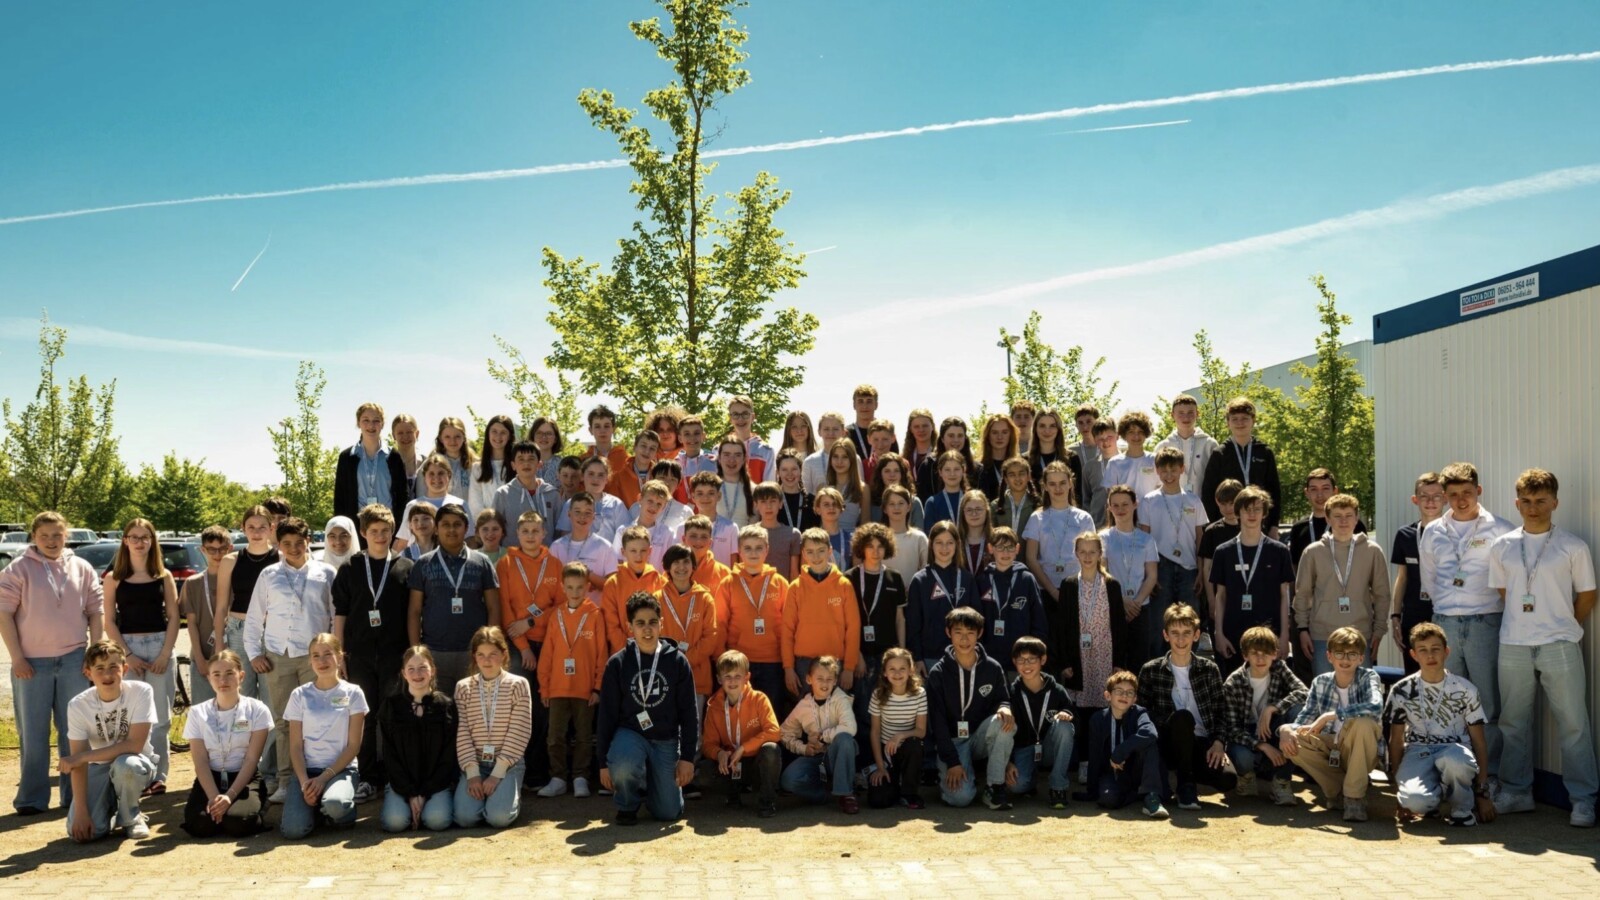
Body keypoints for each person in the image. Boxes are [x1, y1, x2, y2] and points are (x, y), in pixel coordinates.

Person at [1489, 468, 1597, 825]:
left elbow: (1587, 594)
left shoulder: (1572, 546)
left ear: (1555, 502)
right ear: (1517, 503)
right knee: (1513, 722)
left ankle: (1583, 799)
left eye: (1541, 501)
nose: (1533, 508)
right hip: (1514, 643)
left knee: (1573, 723)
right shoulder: (1502, 546)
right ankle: (1517, 792)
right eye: (1527, 501)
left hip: (1559, 644)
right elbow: (1505, 593)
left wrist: (1565, 626)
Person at [1, 511, 104, 817]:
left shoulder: (81, 567)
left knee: (73, 732)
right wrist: (17, 657)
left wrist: (94, 653)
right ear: (33, 537)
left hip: (74, 660)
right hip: (31, 664)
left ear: (66, 535)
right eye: (44, 535)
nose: (51, 541)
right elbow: (4, 614)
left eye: (57, 535)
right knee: (33, 733)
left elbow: (96, 612)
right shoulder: (18, 569)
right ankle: (31, 798)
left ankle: (74, 796)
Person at [1417, 461, 1513, 777]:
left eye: (1467, 493)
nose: (1461, 500)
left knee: (1488, 704)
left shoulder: (1500, 528)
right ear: (1445, 495)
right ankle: (1453, 773)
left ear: (1479, 491)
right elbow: (1429, 579)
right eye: (1454, 494)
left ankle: (1492, 775)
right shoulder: (1433, 531)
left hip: (1486, 622)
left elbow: (1508, 580)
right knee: (1448, 700)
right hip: (1445, 623)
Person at [245, 516, 336, 804]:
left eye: (299, 542)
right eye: (287, 544)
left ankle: (321, 776)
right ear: (278, 544)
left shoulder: (326, 572)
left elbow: (335, 616)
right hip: (278, 656)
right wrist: (254, 653)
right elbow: (255, 617)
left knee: (317, 718)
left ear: (308, 541)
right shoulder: (269, 575)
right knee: (284, 720)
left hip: (316, 658)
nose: (294, 548)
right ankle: (286, 781)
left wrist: (335, 654)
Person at [332, 503, 414, 804]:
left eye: (385, 531)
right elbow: (340, 613)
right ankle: (367, 777)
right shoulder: (351, 568)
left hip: (396, 655)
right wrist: (339, 653)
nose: (380, 536)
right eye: (374, 531)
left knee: (393, 715)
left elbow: (413, 613)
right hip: (360, 654)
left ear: (392, 532)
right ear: (364, 533)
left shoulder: (405, 567)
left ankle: (394, 775)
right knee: (363, 716)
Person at [597, 593, 699, 825]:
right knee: (623, 765)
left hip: (666, 739)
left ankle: (656, 791)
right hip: (631, 734)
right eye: (640, 623)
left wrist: (687, 758)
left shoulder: (678, 662)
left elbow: (689, 714)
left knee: (667, 813)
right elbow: (606, 717)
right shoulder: (618, 663)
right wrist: (603, 763)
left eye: (653, 622)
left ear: (661, 623)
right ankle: (627, 803)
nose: (647, 629)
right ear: (629, 626)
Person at [1384, 623, 1496, 827]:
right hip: (1417, 751)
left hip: (1453, 749)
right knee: (1415, 802)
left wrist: (1482, 792)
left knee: (1456, 760)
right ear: (1413, 655)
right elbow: (1396, 740)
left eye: (1436, 649)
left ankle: (1462, 808)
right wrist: (1398, 789)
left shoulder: (1465, 689)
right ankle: (1431, 800)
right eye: (1423, 650)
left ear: (1446, 651)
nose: (1430, 656)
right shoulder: (1401, 690)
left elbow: (1479, 742)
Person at [99, 519, 180, 798]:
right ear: (125, 541)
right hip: (127, 649)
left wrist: (165, 654)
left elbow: (174, 617)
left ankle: (159, 776)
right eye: (134, 537)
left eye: (145, 537)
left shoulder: (164, 576)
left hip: (160, 645)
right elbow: (109, 621)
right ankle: (137, 772)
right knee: (132, 716)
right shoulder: (113, 578)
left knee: (160, 718)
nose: (140, 542)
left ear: (152, 541)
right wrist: (127, 656)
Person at [1137, 604, 1238, 810]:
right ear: (1165, 635)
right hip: (1168, 742)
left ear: (1196, 635)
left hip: (1202, 742)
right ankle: (1185, 786)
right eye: (1174, 633)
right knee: (1182, 718)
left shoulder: (1209, 669)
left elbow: (1221, 711)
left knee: (1228, 780)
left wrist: (1219, 743)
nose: (1180, 640)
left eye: (1186, 633)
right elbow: (1143, 713)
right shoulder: (1151, 670)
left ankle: (1186, 773)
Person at [1279, 627, 1383, 822]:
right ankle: (1337, 791)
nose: (1345, 659)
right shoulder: (1320, 682)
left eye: (1352, 654)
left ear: (1361, 658)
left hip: (1360, 746)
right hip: (1330, 744)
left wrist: (1331, 716)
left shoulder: (1368, 676)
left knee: (1362, 723)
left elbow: (1376, 706)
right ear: (1329, 656)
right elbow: (1305, 718)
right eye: (1339, 653)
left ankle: (1354, 798)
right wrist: (1285, 729)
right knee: (1292, 742)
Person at [60, 639, 157, 841]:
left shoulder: (141, 691)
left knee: (126, 766)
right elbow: (79, 763)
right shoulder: (77, 705)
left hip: (135, 762)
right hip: (98, 766)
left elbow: (134, 745)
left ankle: (131, 816)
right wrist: (81, 811)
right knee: (83, 832)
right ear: (88, 673)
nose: (107, 675)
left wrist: (83, 757)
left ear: (125, 668)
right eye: (100, 668)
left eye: (114, 667)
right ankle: (111, 809)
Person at [280, 633, 368, 839]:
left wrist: (323, 778)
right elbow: (295, 746)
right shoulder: (299, 695)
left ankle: (340, 809)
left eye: (328, 654)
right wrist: (304, 783)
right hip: (307, 773)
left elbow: (354, 746)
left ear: (339, 657)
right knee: (293, 831)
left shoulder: (354, 693)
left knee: (336, 807)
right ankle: (319, 806)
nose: (322, 661)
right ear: (310, 660)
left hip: (340, 770)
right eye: (316, 656)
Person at [927, 606, 1015, 809]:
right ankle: (956, 777)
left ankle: (994, 787)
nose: (964, 640)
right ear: (948, 633)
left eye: (970, 633)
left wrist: (1005, 707)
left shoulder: (992, 667)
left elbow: (1003, 699)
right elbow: (937, 723)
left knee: (1004, 721)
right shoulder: (938, 673)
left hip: (978, 737)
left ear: (980, 634)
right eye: (958, 633)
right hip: (952, 741)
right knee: (961, 799)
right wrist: (953, 762)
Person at [1293, 493, 1390, 676]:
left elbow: (1382, 594)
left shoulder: (1372, 551)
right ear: (1328, 519)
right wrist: (1303, 629)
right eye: (1337, 516)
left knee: (1360, 695)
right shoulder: (1313, 552)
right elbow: (1302, 594)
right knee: (1326, 693)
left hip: (1360, 634)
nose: (1343, 521)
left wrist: (1378, 631)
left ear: (1356, 519)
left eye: (1348, 516)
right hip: (1322, 635)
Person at [406, 503, 501, 688]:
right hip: (434, 652)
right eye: (445, 524)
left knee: (473, 712)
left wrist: (489, 647)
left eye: (457, 524)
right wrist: (416, 650)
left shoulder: (482, 562)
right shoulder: (423, 564)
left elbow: (493, 607)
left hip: (473, 652)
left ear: (466, 528)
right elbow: (414, 611)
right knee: (440, 711)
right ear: (436, 528)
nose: (451, 529)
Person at [181, 648, 272, 837]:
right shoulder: (198, 712)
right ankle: (221, 812)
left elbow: (251, 759)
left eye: (230, 673)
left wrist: (229, 797)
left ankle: (257, 804)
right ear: (209, 678)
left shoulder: (257, 710)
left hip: (244, 777)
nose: (223, 681)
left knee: (238, 824)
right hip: (211, 777)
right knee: (200, 825)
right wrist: (215, 797)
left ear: (241, 675)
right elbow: (200, 761)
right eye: (216, 674)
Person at [534, 564, 606, 799]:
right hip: (557, 688)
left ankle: (580, 777)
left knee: (584, 736)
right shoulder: (556, 615)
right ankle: (558, 778)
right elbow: (547, 654)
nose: (575, 592)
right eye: (570, 587)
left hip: (584, 689)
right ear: (563, 588)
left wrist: (598, 686)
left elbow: (601, 654)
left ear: (587, 587)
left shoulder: (595, 614)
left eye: (579, 588)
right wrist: (544, 686)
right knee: (555, 736)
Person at [1210, 487, 1295, 677]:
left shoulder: (1279, 551)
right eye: (1246, 509)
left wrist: (1284, 636)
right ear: (1238, 511)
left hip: (1269, 635)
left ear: (1264, 513)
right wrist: (1219, 634)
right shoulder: (1223, 552)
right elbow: (1220, 596)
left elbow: (1284, 596)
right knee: (1236, 691)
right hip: (1233, 636)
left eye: (1257, 509)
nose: (1252, 514)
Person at [453, 626, 532, 828]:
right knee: (465, 819)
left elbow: (519, 731)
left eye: (493, 655)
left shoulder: (518, 684)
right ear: (474, 657)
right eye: (481, 655)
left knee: (498, 819)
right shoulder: (463, 687)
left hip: (508, 763)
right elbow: (462, 732)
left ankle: (507, 795)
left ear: (504, 655)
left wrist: (497, 774)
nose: (486, 661)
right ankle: (488, 798)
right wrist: (472, 775)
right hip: (476, 763)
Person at [1052, 532, 1138, 716]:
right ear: (1076, 553)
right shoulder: (1068, 585)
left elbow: (1120, 627)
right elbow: (1061, 627)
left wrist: (1118, 661)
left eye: (1092, 552)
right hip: (1078, 656)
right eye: (1082, 551)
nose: (1087, 556)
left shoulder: (1111, 585)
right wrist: (1064, 661)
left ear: (1100, 553)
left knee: (1104, 704)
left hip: (1104, 655)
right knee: (1078, 709)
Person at [211, 505, 278, 739]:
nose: (257, 532)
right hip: (238, 631)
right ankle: (244, 764)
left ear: (272, 528)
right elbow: (221, 606)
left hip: (272, 633)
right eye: (251, 527)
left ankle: (270, 769)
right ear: (243, 528)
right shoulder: (231, 560)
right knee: (241, 700)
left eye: (262, 527)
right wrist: (219, 643)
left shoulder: (281, 557)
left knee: (272, 702)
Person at [1220, 626, 1306, 806]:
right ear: (1245, 656)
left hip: (1273, 728)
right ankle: (1246, 776)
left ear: (1275, 654)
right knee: (1241, 755)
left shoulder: (1279, 668)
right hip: (1247, 735)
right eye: (1255, 653)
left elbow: (1304, 692)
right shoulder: (1233, 683)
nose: (1260, 659)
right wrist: (1263, 746)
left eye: (1266, 653)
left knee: (1297, 712)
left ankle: (1282, 781)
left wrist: (1272, 708)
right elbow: (1232, 730)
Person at [378, 646, 458, 832]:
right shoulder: (391, 706)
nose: (417, 674)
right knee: (395, 822)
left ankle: (430, 806)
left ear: (433, 670)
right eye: (411, 669)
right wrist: (412, 793)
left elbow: (448, 756)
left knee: (437, 821)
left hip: (437, 783)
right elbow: (390, 756)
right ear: (404, 674)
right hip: (401, 783)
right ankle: (409, 807)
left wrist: (425, 792)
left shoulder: (445, 707)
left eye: (423, 667)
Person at [697, 649, 782, 817]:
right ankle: (732, 795)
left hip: (754, 762)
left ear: (747, 677)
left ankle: (767, 801)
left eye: (737, 676)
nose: (732, 681)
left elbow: (774, 732)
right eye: (727, 676)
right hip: (730, 764)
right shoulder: (713, 706)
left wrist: (744, 748)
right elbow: (708, 744)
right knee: (703, 773)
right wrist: (719, 753)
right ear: (719, 679)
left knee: (771, 750)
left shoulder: (759, 699)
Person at [1141, 447, 1207, 661]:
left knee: (1190, 620)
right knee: (1158, 622)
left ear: (1182, 469)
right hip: (1160, 565)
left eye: (1173, 470)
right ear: (1157, 471)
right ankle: (1159, 667)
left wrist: (1200, 570)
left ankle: (1190, 666)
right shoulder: (1149, 500)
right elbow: (1144, 538)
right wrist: (1147, 574)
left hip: (1189, 566)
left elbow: (1200, 537)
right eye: (1164, 471)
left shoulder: (1193, 500)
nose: (1169, 475)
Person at [717, 526, 791, 712]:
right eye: (748, 548)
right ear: (739, 551)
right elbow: (720, 624)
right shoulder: (728, 582)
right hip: (738, 662)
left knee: (771, 713)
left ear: (767, 550)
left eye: (759, 547)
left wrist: (787, 662)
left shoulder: (780, 582)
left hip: (773, 662)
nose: (753, 553)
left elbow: (789, 626)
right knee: (741, 714)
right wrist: (721, 660)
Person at [845, 523, 906, 747]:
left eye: (880, 546)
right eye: (870, 546)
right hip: (860, 655)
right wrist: (856, 655)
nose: (875, 551)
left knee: (887, 708)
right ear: (862, 548)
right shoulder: (849, 577)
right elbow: (845, 622)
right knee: (863, 710)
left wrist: (901, 652)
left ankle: (887, 759)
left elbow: (900, 619)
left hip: (888, 657)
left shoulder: (894, 578)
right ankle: (867, 764)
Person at [782, 528, 861, 697]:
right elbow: (787, 630)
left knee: (836, 718)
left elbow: (853, 628)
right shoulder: (795, 587)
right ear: (803, 554)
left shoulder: (844, 585)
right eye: (810, 552)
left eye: (821, 551)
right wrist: (788, 667)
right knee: (807, 719)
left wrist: (849, 667)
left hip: (836, 663)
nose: (816, 557)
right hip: (803, 663)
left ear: (830, 551)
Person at [779, 656, 860, 813]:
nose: (825, 683)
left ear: (835, 680)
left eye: (829, 679)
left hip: (837, 755)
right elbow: (784, 732)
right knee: (788, 780)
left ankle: (846, 793)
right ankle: (823, 795)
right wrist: (804, 749)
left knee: (845, 739)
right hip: (816, 757)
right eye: (820, 678)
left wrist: (823, 736)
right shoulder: (803, 705)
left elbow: (850, 727)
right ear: (809, 679)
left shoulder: (840, 699)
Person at [1383, 472, 1446, 674]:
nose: (1430, 501)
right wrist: (1395, 615)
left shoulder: (1453, 533)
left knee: (1444, 672)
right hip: (1413, 616)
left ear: (1445, 498)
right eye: (1424, 496)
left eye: (1436, 495)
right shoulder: (1405, 535)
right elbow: (1402, 577)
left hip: (1444, 613)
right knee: (1414, 673)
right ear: (1415, 499)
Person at [1084, 671, 1167, 818]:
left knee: (1149, 742)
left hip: (1137, 771)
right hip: (1112, 774)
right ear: (1108, 695)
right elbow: (1094, 755)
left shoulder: (1140, 713)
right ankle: (1136, 794)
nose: (1124, 696)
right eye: (1119, 691)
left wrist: (1119, 753)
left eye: (1130, 693)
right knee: (1108, 799)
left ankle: (1151, 796)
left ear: (1135, 699)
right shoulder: (1097, 719)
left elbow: (1150, 733)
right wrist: (1092, 789)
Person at [1005, 637, 1075, 809]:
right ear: (1014, 662)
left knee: (1065, 727)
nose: (1026, 665)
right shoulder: (1011, 692)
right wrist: (1008, 761)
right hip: (1024, 748)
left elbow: (1070, 711)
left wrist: (1065, 714)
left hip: (1049, 747)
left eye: (1032, 660)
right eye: (1021, 660)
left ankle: (1058, 787)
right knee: (1016, 786)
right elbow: (1005, 730)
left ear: (1043, 660)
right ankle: (1031, 779)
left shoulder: (1057, 690)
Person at [656, 543, 720, 719]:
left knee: (694, 730)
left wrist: (685, 661)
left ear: (694, 566)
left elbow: (711, 636)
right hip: (665, 676)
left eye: (686, 562)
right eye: (676, 562)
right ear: (668, 566)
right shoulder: (657, 598)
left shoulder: (705, 598)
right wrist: (671, 663)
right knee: (667, 727)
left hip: (697, 677)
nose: (681, 567)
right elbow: (652, 637)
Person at [1199, 397, 1283, 533]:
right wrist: (1215, 526)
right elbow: (1208, 493)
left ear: (1253, 421)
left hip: (1260, 523)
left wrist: (1274, 525)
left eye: (1244, 418)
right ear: (1228, 423)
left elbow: (1274, 491)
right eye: (1235, 419)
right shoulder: (1220, 453)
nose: (1240, 423)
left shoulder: (1264, 452)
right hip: (1228, 524)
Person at [905, 521, 975, 676]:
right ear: (931, 545)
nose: (944, 548)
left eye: (949, 543)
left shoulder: (966, 578)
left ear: (957, 545)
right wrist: (917, 658)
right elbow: (913, 623)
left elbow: (977, 619)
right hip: (931, 656)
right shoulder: (920, 580)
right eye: (939, 543)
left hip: (964, 655)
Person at [1022, 461, 1095, 607]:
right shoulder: (1037, 518)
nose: (1058, 488)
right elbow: (1031, 559)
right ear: (1046, 487)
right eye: (1052, 484)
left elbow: (1092, 556)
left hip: (1078, 588)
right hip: (1045, 590)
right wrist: (1053, 592)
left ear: (1070, 484)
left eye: (1062, 483)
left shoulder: (1084, 517)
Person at [497, 510, 562, 673]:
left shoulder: (555, 564)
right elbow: (504, 607)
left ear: (544, 533)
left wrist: (531, 621)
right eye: (525, 531)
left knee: (546, 694)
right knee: (521, 689)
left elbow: (561, 607)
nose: (530, 536)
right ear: (517, 533)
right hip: (517, 641)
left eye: (535, 531)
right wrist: (524, 648)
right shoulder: (505, 564)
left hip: (549, 638)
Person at [976, 528, 1046, 669]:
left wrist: (1035, 651)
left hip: (1021, 658)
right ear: (991, 548)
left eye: (1010, 547)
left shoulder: (1026, 579)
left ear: (1017, 549)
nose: (1005, 553)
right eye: (1000, 547)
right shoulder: (982, 580)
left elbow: (1039, 619)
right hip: (989, 657)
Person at [867, 647, 927, 810]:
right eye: (892, 669)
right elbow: (875, 732)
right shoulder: (878, 695)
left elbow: (921, 731)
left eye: (902, 669)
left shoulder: (919, 694)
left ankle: (909, 793)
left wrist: (900, 735)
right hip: (886, 753)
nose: (897, 673)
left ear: (911, 670)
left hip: (908, 750)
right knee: (878, 801)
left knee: (915, 743)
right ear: (885, 672)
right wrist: (880, 767)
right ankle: (893, 787)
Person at [333, 401, 409, 523]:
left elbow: (402, 497)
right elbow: (340, 498)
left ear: (382, 424)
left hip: (388, 526)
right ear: (358, 423)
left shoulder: (393, 457)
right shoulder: (347, 457)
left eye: (376, 420)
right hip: (357, 526)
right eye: (366, 420)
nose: (371, 425)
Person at [1100, 485, 1157, 639]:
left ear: (1135, 504)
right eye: (1115, 505)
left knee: (1139, 658)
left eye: (1125, 504)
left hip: (1140, 608)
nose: (1120, 509)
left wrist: (1136, 603)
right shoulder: (1103, 538)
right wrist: (1121, 599)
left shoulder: (1147, 539)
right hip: (1113, 605)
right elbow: (1101, 572)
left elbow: (1151, 576)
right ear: (1109, 508)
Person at [183, 527, 232, 708]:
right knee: (203, 710)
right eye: (211, 549)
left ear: (230, 548)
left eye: (222, 549)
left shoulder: (237, 580)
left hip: (232, 657)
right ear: (202, 550)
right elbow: (191, 624)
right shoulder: (193, 583)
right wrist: (199, 658)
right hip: (203, 656)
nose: (217, 554)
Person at [602, 527, 667, 655]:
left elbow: (664, 620)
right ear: (623, 552)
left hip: (654, 652)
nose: (638, 555)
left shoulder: (660, 581)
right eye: (633, 551)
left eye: (643, 550)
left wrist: (651, 648)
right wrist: (629, 650)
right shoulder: (613, 584)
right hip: (623, 653)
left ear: (650, 551)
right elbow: (611, 625)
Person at [1288, 468, 1369, 565]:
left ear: (1335, 491)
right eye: (1314, 489)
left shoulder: (1352, 524)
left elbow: (1365, 563)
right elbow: (1295, 567)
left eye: (1325, 488)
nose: (1320, 495)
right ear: (1307, 493)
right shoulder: (1298, 528)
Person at [550, 491, 619, 604]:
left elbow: (613, 586)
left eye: (588, 513)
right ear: (569, 514)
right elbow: (550, 583)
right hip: (563, 612)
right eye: (577, 512)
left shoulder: (605, 547)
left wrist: (589, 575)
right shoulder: (556, 546)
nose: (582, 517)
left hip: (594, 613)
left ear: (594, 517)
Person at [395, 454, 471, 554]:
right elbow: (403, 542)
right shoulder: (413, 505)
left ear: (449, 475)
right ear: (424, 477)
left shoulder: (460, 504)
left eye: (441, 473)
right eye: (431, 474)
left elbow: (470, 539)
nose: (436, 478)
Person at [492, 440, 561, 547]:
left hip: (546, 558)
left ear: (539, 464)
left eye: (531, 459)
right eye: (521, 459)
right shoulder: (502, 494)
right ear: (513, 465)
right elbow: (495, 529)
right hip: (513, 558)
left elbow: (559, 529)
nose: (526, 463)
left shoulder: (552, 494)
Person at [1155, 394, 1219, 496]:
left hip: (1202, 505)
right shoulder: (1163, 446)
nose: (1186, 417)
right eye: (1181, 413)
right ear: (1172, 415)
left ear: (1197, 414)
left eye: (1190, 413)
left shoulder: (1209, 444)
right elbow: (1156, 480)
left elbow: (1217, 478)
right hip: (1171, 505)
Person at [559, 457, 630, 542]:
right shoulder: (571, 503)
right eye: (591, 474)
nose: (595, 479)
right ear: (582, 476)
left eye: (600, 475)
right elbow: (565, 538)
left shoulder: (616, 504)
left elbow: (625, 537)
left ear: (607, 478)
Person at [616, 480, 678, 571]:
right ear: (640, 499)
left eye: (659, 504)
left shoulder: (668, 533)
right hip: (629, 583)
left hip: (657, 583)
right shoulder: (622, 531)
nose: (654, 507)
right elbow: (617, 561)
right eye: (650, 501)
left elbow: (672, 564)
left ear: (664, 507)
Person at [1102, 411, 1161, 500]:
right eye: (1131, 432)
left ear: (1146, 434)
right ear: (1124, 434)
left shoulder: (1155, 460)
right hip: (1124, 512)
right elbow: (1110, 494)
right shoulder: (1115, 462)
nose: (1136, 436)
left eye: (1140, 431)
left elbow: (1161, 488)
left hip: (1151, 511)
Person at [684, 473, 740, 565]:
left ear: (718, 496)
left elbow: (734, 564)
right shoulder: (683, 527)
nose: (705, 498)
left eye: (711, 493)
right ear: (693, 497)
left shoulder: (731, 528)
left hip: (722, 578)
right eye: (700, 493)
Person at [468, 415, 516, 520]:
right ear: (488, 434)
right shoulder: (477, 468)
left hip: (514, 526)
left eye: (503, 432)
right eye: (494, 431)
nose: (498, 436)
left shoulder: (516, 466)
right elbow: (475, 504)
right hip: (488, 529)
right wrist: (490, 525)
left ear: (510, 436)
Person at [752, 481, 803, 580]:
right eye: (763, 501)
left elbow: (794, 572)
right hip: (755, 592)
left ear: (780, 504)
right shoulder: (748, 534)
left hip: (782, 591)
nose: (768, 506)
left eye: (773, 501)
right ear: (756, 505)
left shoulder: (793, 534)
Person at [882, 484, 929, 588]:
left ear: (909, 507)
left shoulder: (919, 538)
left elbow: (926, 571)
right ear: (885, 509)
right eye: (891, 504)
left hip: (913, 596)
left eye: (901, 503)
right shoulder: (879, 539)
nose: (896, 508)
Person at [605, 429, 660, 510]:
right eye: (643, 446)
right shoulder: (619, 478)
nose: (647, 451)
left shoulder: (659, 476)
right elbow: (613, 508)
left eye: (652, 448)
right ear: (635, 447)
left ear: (656, 453)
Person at [867, 452, 924, 530]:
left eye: (896, 471)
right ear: (880, 474)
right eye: (887, 471)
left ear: (902, 474)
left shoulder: (914, 502)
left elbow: (920, 533)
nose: (892, 475)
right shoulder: (871, 503)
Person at [821, 437, 867, 531]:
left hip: (850, 541)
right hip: (826, 540)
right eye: (835, 456)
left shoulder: (863, 488)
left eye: (845, 457)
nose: (839, 462)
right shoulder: (823, 487)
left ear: (852, 459)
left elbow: (865, 524)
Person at [727, 395, 775, 481]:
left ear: (752, 417)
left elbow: (770, 489)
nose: (740, 419)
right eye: (735, 415)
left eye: (745, 414)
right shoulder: (718, 450)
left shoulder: (766, 451)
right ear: (730, 418)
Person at [714, 435, 759, 528]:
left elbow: (753, 527)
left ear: (744, 459)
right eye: (726, 454)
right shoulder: (710, 487)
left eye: (737, 455)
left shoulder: (753, 490)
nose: (732, 460)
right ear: (719, 458)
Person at [775, 448, 819, 535]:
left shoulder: (812, 501)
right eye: (784, 470)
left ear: (801, 470)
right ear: (778, 472)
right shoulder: (772, 501)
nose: (789, 474)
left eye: (794, 469)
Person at [975, 413, 1018, 501]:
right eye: (994, 432)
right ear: (988, 436)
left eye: (1004, 432)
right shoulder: (978, 468)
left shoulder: (1020, 466)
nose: (999, 437)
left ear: (1011, 435)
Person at [803, 412, 848, 495]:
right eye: (826, 429)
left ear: (843, 432)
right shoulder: (810, 462)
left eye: (835, 429)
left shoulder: (854, 459)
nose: (831, 433)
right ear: (819, 432)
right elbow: (806, 494)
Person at [989, 457, 1034, 537]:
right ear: (1006, 479)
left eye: (1021, 473)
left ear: (1028, 476)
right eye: (1012, 475)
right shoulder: (995, 506)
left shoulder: (1037, 504)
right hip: (1003, 549)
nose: (1017, 478)